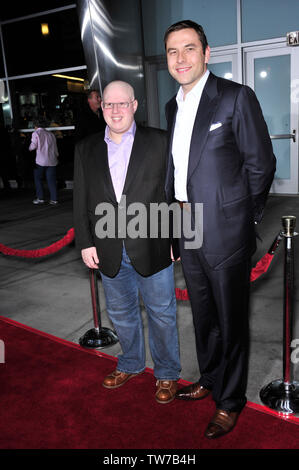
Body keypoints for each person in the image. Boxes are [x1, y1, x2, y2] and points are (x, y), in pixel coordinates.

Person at [164, 20, 276, 438]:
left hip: (226, 229)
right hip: (186, 224)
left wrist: (244, 218)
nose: (181, 58)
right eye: (173, 51)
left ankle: (230, 401)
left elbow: (261, 165)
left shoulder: (234, 97)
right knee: (203, 313)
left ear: (207, 53)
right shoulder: (172, 106)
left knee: (231, 320)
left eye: (189, 49)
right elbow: (175, 172)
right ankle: (209, 378)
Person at [73, 80, 181, 404]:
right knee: (120, 313)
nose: (116, 110)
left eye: (122, 103)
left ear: (135, 105)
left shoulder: (161, 142)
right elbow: (80, 200)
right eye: (109, 104)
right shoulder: (86, 148)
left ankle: (166, 373)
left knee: (162, 314)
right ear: (100, 108)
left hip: (153, 246)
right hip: (107, 248)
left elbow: (175, 193)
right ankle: (131, 363)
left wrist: (179, 239)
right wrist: (85, 241)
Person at [29, 122, 59, 205]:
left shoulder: (36, 133)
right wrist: (56, 156)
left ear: (36, 125)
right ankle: (54, 199)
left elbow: (33, 146)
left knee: (38, 179)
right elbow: (55, 148)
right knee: (51, 180)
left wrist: (29, 149)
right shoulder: (51, 134)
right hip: (52, 160)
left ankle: (40, 198)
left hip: (41, 161)